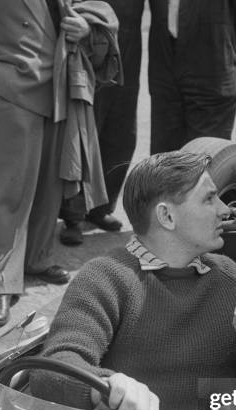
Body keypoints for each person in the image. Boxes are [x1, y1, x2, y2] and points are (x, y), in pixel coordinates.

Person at [31, 150, 236, 410]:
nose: (226, 210)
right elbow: (53, 370)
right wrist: (106, 388)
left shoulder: (230, 278)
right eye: (209, 199)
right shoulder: (105, 277)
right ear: (166, 217)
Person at [0, 0, 117, 328]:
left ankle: (36, 258)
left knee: (50, 183)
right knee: (10, 191)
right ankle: (1, 283)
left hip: (61, 81)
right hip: (12, 88)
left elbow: (92, 5)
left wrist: (86, 28)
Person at [59, 0, 144, 246]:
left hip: (126, 51)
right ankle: (72, 216)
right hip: (88, 52)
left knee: (121, 132)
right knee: (82, 134)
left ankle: (100, 208)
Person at [147, 0, 236, 155]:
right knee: (165, 159)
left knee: (205, 159)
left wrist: (223, 38)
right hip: (165, 62)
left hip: (211, 63)